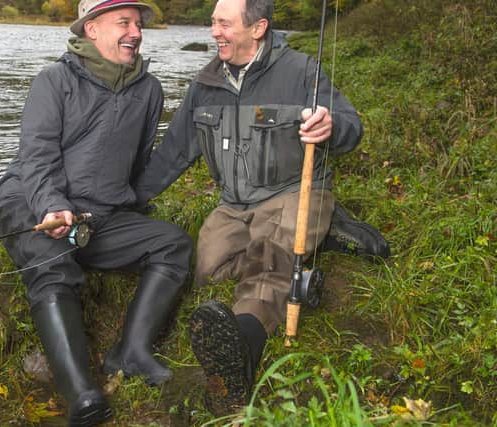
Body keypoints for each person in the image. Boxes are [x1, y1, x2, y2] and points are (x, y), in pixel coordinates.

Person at [133, 0, 381, 415]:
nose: (214, 31)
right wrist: (127, 201)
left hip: (294, 193)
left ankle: (240, 355)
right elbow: (173, 154)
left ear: (258, 28)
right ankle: (314, 253)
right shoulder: (205, 84)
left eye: (224, 23)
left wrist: (331, 126)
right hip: (235, 205)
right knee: (209, 270)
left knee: (269, 260)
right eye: (213, 22)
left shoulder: (301, 71)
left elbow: (351, 128)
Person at [0, 1, 193, 425]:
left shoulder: (149, 90)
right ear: (92, 29)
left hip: (100, 216)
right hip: (31, 203)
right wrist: (53, 205)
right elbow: (37, 158)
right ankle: (81, 394)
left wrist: (130, 210)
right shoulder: (53, 81)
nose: (135, 32)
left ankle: (132, 352)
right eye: (124, 22)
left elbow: (137, 162)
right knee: (51, 263)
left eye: (138, 24)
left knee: (172, 244)